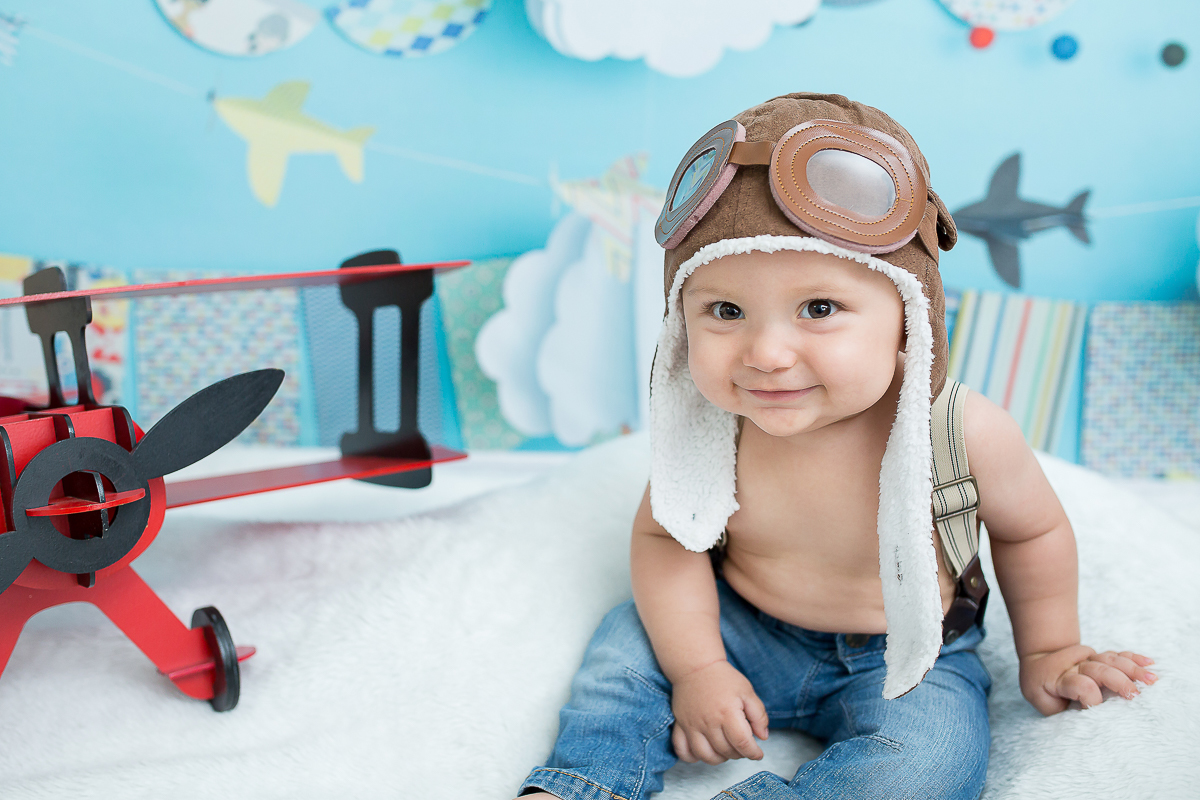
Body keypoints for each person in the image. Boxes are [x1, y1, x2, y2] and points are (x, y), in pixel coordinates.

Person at [514, 93, 1155, 800]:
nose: (766, 352)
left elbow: (1032, 531)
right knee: (625, 649)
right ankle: (582, 783)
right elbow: (668, 541)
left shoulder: (957, 429)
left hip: (909, 656)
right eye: (725, 311)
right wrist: (697, 667)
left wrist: (1049, 647)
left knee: (932, 762)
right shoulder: (714, 424)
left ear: (910, 318)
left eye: (819, 309)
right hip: (742, 627)